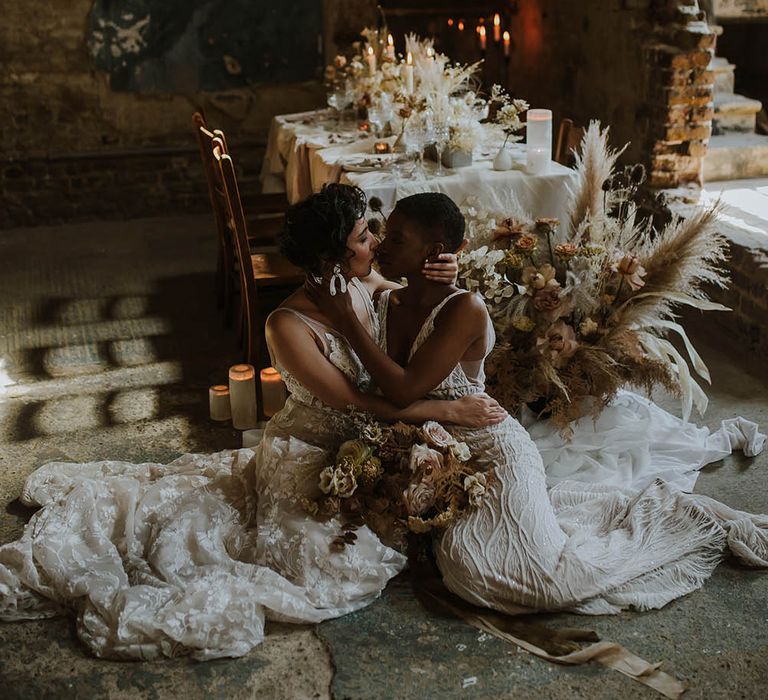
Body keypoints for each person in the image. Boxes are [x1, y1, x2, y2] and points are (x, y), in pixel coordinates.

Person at [0, 184, 508, 660]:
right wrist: (445, 410)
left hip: (371, 436)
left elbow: (420, 293)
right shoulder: (286, 324)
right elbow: (354, 401)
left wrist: (450, 270)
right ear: (332, 256)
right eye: (363, 237)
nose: (375, 243)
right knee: (327, 562)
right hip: (312, 444)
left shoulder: (368, 281)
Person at [310, 191, 768, 615]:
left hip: (491, 447)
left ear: (433, 251)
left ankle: (687, 519)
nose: (383, 245)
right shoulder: (387, 298)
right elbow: (351, 273)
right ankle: (562, 516)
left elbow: (404, 390)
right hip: (439, 450)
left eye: (396, 237)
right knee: (460, 565)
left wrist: (346, 321)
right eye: (382, 234)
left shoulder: (464, 308)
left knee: (509, 576)